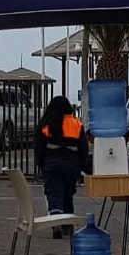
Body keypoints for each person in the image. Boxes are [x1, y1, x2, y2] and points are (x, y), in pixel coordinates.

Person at [34, 95, 89, 239]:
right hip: (71, 166)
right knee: (67, 194)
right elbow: (83, 148)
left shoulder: (46, 124)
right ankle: (67, 223)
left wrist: (41, 164)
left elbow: (39, 147)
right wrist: (80, 165)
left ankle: (56, 221)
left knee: (54, 193)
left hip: (51, 165)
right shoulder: (76, 124)